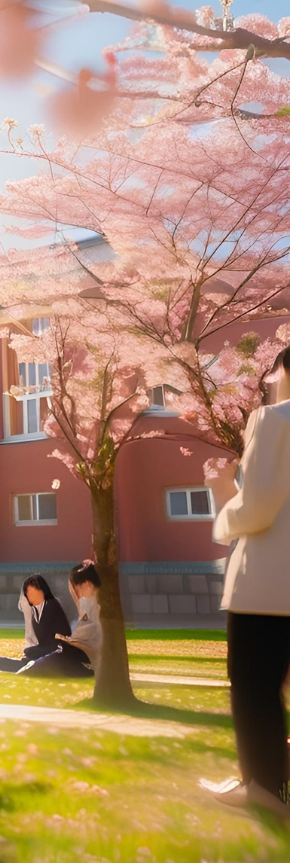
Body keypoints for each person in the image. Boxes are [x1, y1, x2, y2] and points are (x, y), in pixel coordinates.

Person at [201, 343, 290, 819]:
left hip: (270, 589)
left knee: (254, 685)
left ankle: (261, 785)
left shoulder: (276, 420)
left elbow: (257, 504)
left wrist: (223, 522)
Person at [16, 562, 101, 678]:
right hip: (72, 653)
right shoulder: (87, 603)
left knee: (42, 663)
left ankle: (29, 667)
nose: (75, 591)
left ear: (87, 584)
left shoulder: (97, 606)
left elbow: (88, 637)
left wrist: (67, 640)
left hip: (83, 659)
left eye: (77, 586)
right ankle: (30, 665)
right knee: (34, 655)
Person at [0, 575, 72, 673]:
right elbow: (40, 641)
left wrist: (40, 651)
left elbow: (63, 636)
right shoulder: (35, 611)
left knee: (32, 656)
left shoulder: (52, 605)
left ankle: (29, 665)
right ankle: (28, 664)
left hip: (57, 651)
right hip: (44, 650)